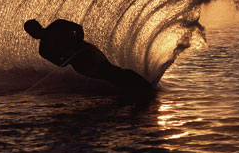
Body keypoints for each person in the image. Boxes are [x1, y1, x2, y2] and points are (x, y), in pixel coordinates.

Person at [24, 19, 154, 97]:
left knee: (112, 70)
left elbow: (78, 28)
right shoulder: (43, 50)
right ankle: (133, 91)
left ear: (38, 26)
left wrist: (78, 44)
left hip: (88, 52)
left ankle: (143, 86)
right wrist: (69, 57)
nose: (33, 35)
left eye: (33, 31)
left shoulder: (58, 24)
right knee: (109, 77)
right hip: (80, 66)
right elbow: (61, 64)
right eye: (30, 33)